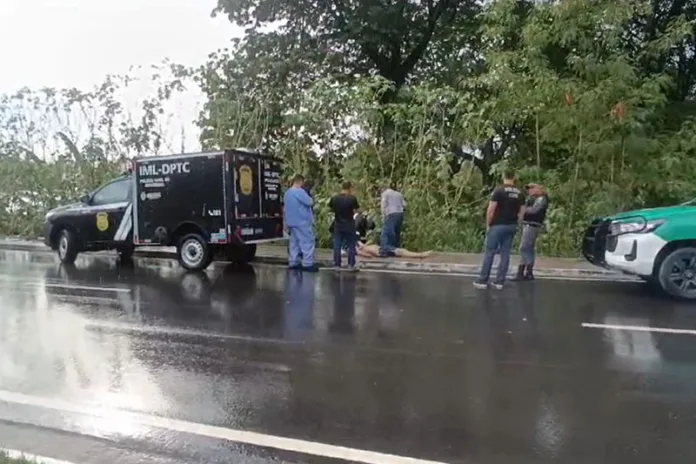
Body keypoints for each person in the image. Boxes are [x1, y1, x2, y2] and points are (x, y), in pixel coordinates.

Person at [473, 169, 525, 290]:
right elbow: (522, 212)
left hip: (497, 225)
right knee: (505, 253)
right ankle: (499, 282)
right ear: (514, 178)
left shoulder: (499, 190)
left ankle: (483, 280)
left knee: (490, 252)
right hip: (511, 225)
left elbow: (491, 209)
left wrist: (488, 224)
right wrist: (517, 223)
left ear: (503, 177)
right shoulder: (520, 193)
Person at [512, 183, 549, 281]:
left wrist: (522, 210)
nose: (530, 190)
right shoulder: (532, 199)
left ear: (538, 188)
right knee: (528, 249)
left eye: (532, 188)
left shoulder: (541, 199)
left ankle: (527, 270)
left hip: (532, 224)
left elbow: (534, 211)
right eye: (529, 189)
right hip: (528, 224)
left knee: (524, 247)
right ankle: (524, 272)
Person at [284, 174, 317, 272]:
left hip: (291, 221)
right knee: (307, 242)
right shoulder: (300, 192)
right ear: (300, 181)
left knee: (294, 243)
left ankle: (293, 262)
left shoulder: (287, 193)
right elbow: (310, 202)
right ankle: (308, 263)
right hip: (302, 221)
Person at [329, 181, 360, 271]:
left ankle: (337, 264)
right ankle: (351, 264)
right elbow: (356, 209)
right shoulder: (352, 198)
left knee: (337, 244)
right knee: (351, 244)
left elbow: (331, 208)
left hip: (338, 223)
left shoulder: (335, 198)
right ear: (350, 188)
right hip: (349, 223)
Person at [380, 182, 406, 253]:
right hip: (400, 213)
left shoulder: (385, 193)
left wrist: (383, 215)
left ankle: (386, 248)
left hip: (391, 213)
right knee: (397, 231)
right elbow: (404, 205)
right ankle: (396, 247)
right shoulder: (399, 194)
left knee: (387, 231)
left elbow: (383, 205)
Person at [356, 241, 433, 259]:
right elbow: (365, 254)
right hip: (381, 251)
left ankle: (421, 255)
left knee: (401, 251)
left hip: (381, 249)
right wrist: (371, 257)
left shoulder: (358, 243)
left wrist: (365, 244)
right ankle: (421, 255)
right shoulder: (356, 248)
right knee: (401, 252)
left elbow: (368, 242)